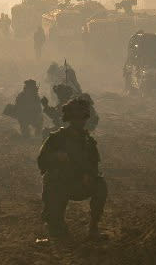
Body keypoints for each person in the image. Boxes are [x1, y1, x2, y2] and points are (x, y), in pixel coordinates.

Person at [37, 95, 107, 242]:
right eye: (76, 118)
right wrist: (56, 157)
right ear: (69, 118)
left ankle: (93, 228)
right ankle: (55, 223)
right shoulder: (56, 139)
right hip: (59, 184)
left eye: (82, 118)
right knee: (57, 231)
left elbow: (95, 165)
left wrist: (90, 175)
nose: (80, 122)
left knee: (100, 185)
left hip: (78, 184)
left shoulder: (88, 142)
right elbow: (41, 161)